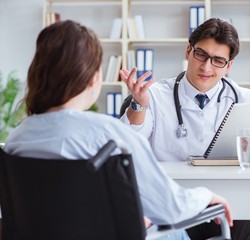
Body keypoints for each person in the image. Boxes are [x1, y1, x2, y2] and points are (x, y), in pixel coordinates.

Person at [3, 20, 233, 240]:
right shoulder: (110, 137)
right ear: (93, 79)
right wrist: (206, 195)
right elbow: (171, 208)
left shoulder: (16, 140)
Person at [120, 18, 250, 239]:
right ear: (188, 51)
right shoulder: (155, 95)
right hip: (174, 206)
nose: (206, 67)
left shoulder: (246, 99)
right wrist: (139, 104)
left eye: (218, 60)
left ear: (229, 66)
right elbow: (126, 145)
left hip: (231, 205)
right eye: (201, 55)